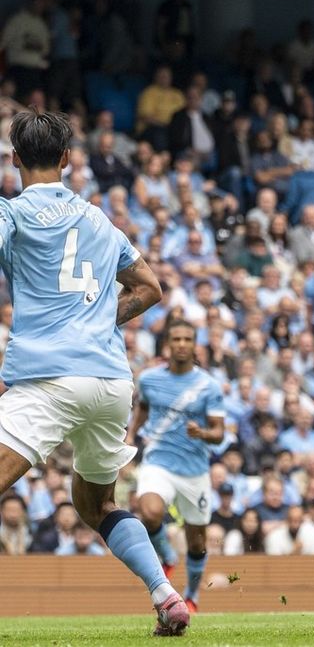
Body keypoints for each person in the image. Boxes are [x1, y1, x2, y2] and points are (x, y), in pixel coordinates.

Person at [0, 111, 188, 634]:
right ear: (66, 160)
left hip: (51, 378)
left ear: (15, 159)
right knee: (96, 502)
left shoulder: (11, 214)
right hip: (109, 382)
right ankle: (166, 594)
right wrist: (96, 319)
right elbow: (149, 288)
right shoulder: (102, 221)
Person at [126, 320, 226, 613]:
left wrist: (204, 433)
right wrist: (132, 434)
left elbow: (219, 432)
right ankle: (167, 555)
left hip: (194, 470)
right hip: (158, 462)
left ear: (195, 345)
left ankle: (192, 594)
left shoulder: (208, 386)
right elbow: (143, 407)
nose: (182, 344)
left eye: (187, 339)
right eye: (177, 339)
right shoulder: (149, 380)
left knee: (197, 542)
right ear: (168, 344)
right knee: (150, 510)